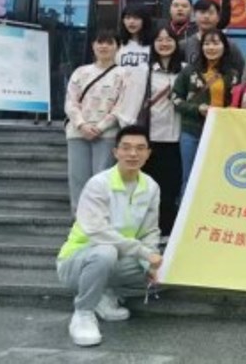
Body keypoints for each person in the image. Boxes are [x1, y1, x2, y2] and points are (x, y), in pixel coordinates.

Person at [56, 125, 161, 348]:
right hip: (78, 262)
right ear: (115, 152)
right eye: (126, 147)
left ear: (148, 153)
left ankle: (103, 294)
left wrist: (150, 261)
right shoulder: (99, 184)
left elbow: (150, 231)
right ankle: (83, 313)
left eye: (140, 148)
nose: (133, 154)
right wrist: (143, 253)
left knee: (166, 265)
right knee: (106, 252)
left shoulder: (151, 187)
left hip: (118, 259)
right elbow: (98, 232)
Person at [64, 30, 130, 212]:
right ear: (93, 46)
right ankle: (79, 220)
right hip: (78, 132)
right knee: (77, 179)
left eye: (109, 43)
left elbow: (121, 106)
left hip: (107, 134)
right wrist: (82, 125)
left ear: (118, 47)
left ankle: (100, 220)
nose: (104, 46)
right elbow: (70, 102)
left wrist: (100, 127)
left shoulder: (124, 74)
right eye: (100, 42)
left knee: (103, 180)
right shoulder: (80, 72)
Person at [172, 29, 241, 194]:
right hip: (192, 132)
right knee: (190, 177)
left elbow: (237, 103)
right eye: (207, 43)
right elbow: (175, 99)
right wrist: (197, 109)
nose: (211, 47)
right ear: (201, 47)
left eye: (216, 43)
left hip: (220, 133)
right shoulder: (189, 71)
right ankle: (185, 210)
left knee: (216, 177)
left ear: (224, 47)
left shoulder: (232, 74)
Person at [139, 24, 184, 237]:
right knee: (148, 189)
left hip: (177, 138)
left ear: (176, 43)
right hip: (151, 137)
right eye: (159, 40)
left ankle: (168, 232)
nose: (164, 44)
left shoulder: (186, 70)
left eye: (169, 39)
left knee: (171, 189)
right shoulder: (144, 71)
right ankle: (147, 231)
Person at [181, 0, 245, 75]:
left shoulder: (229, 45)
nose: (206, 16)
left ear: (218, 17)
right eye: (202, 12)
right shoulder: (184, 45)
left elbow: (241, 72)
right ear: (194, 16)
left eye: (211, 13)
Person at [164, 0, 231, 41]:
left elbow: (222, 22)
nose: (180, 9)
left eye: (184, 6)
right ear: (169, 9)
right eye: (176, 6)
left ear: (191, 10)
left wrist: (225, 0)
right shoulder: (160, 26)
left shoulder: (199, 27)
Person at [116, 3, 153, 68]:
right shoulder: (118, 44)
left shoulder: (154, 44)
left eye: (136, 18)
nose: (131, 21)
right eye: (127, 18)